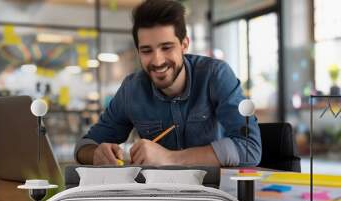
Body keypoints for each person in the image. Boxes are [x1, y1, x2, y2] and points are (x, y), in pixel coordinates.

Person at [75, 0, 261, 167]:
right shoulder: (132, 90)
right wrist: (97, 154)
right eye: (147, 50)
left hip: (214, 194)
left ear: (184, 44)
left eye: (166, 47)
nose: (157, 61)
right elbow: (84, 147)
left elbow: (249, 147)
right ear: (138, 51)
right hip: (158, 198)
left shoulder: (216, 75)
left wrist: (171, 158)